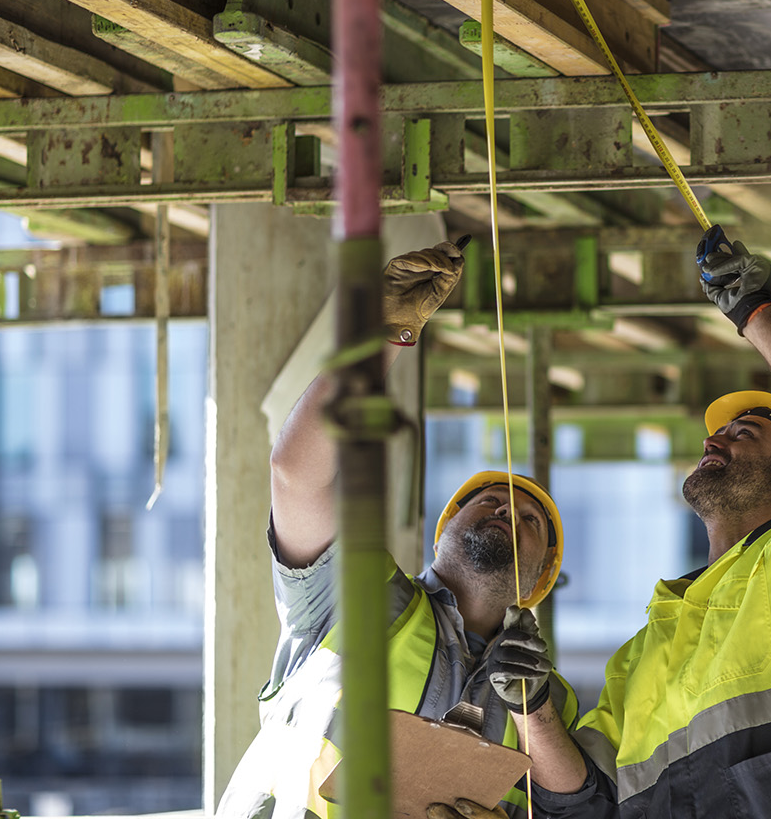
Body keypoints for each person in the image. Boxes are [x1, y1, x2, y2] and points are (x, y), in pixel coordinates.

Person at [478, 228, 771, 819]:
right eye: (719, 433)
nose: (712, 439)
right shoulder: (642, 651)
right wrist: (532, 709)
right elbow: (584, 802)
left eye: (743, 432)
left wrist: (754, 312)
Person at [217, 241, 576, 819]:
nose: (506, 511)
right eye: (487, 501)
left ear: (539, 581)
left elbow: (573, 805)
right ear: (443, 533)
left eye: (529, 520)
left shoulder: (549, 705)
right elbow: (295, 475)